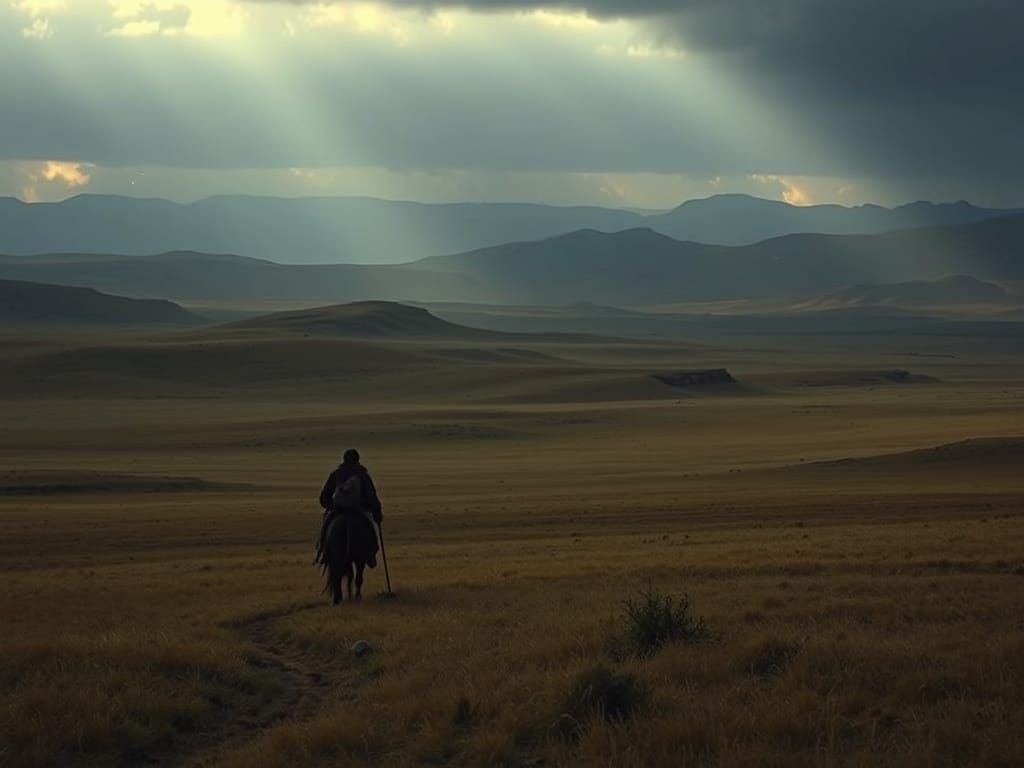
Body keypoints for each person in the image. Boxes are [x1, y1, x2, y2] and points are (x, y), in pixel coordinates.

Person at [315, 449, 382, 566]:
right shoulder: (363, 475)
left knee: (326, 526)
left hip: (338, 510)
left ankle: (324, 551)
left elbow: (323, 498)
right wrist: (377, 512)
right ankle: (370, 555)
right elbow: (371, 496)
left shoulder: (336, 474)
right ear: (358, 460)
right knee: (370, 528)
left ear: (344, 459)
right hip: (358, 510)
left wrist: (332, 506)